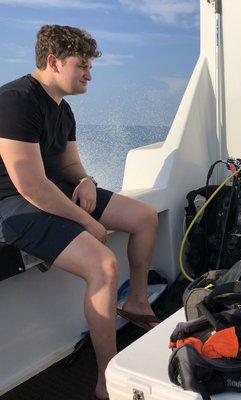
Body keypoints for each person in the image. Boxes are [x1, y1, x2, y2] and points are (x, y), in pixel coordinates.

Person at [0, 25, 159, 399]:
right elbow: (30, 185)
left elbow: (70, 166)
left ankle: (137, 301)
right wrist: (87, 221)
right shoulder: (16, 101)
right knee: (103, 266)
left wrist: (86, 180)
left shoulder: (63, 108)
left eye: (90, 66)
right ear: (54, 62)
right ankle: (107, 379)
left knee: (146, 218)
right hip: (13, 206)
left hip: (58, 192)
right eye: (82, 65)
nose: (89, 74)